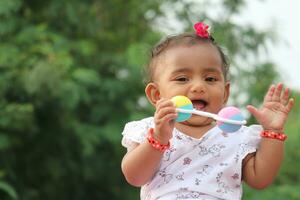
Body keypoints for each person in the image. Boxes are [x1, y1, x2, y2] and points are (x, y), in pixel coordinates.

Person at [120, 22, 294, 200]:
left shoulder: (236, 135)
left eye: (210, 79)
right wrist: (158, 139)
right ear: (156, 94)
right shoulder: (149, 130)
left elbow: (260, 179)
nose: (198, 86)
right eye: (182, 78)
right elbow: (135, 177)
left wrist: (273, 131)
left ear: (225, 92)